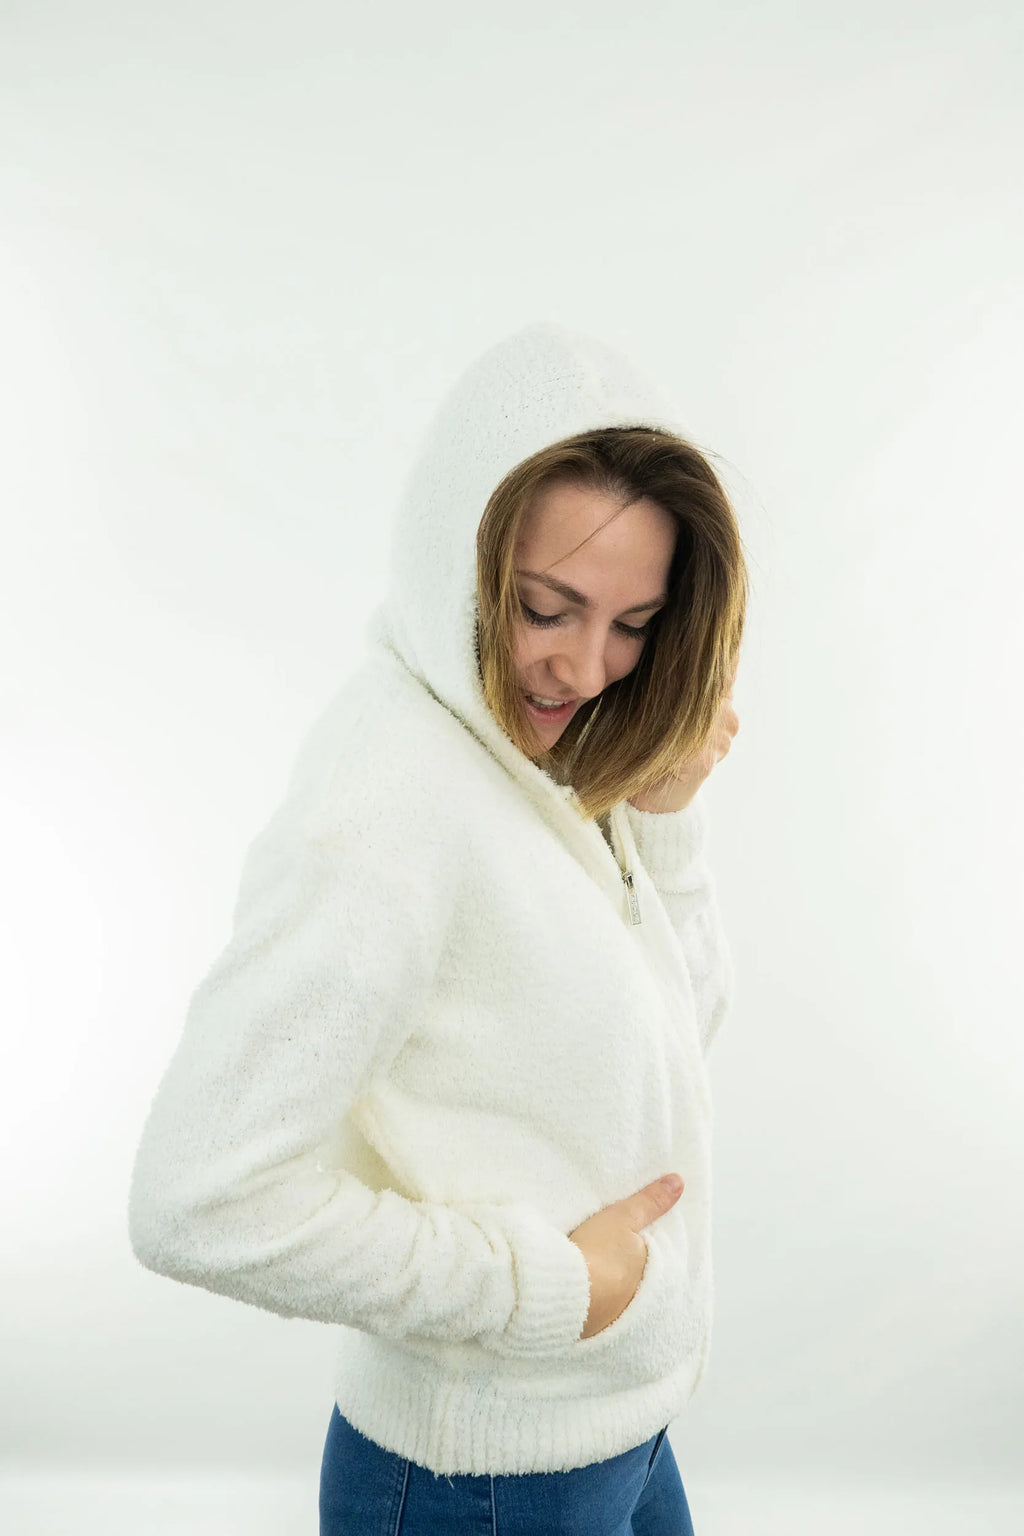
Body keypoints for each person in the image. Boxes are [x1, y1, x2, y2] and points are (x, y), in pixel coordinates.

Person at [128, 320, 747, 1534]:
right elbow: (195, 1200)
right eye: (545, 609)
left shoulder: (540, 756)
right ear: (457, 558)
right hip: (481, 1478)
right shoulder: (389, 806)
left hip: (620, 1429)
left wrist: (664, 820)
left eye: (632, 623)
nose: (587, 669)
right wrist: (544, 1288)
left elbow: (673, 1048)